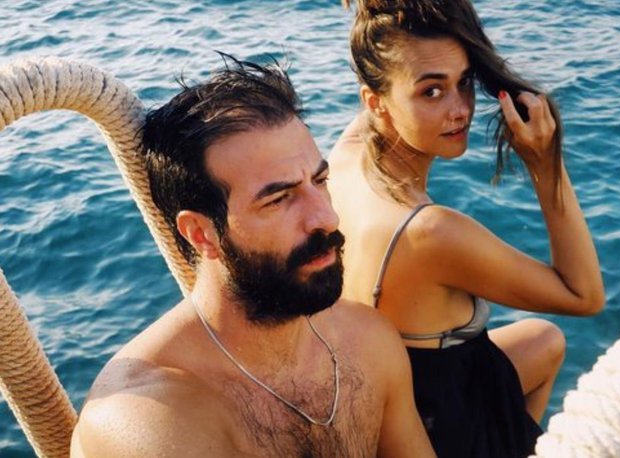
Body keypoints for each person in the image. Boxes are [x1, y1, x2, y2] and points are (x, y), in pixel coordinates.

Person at [70, 55, 434, 457]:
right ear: (201, 233)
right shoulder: (152, 417)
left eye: (319, 180)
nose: (327, 218)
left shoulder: (369, 341)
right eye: (278, 199)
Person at [330, 1, 605, 456]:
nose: (460, 110)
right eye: (431, 92)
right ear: (375, 102)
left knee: (545, 340)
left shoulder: (345, 156)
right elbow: (585, 295)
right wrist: (544, 164)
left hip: (390, 402)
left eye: (465, 82)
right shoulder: (429, 232)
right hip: (440, 431)